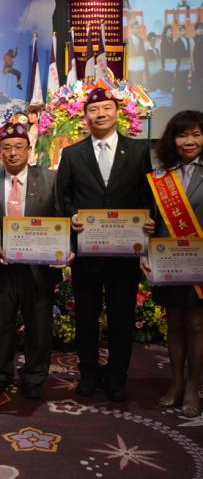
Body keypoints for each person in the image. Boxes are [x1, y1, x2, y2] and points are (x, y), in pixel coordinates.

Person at [56, 88, 154, 402]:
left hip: (125, 253)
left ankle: (116, 376)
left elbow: (147, 195)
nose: (100, 114)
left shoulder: (138, 151)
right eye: (94, 109)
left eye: (107, 108)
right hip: (88, 252)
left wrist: (149, 224)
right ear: (85, 116)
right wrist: (72, 217)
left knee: (122, 317)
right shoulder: (72, 154)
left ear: (117, 112)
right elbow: (63, 196)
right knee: (86, 316)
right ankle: (88, 373)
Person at [0, 122, 63, 400]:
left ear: (29, 150)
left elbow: (61, 218)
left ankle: (34, 376)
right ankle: (0, 374)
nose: (13, 153)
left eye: (19, 147)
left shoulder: (50, 180)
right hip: (3, 268)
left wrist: (62, 249)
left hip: (39, 268)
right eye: (6, 147)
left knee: (39, 324)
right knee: (1, 324)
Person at [142, 110, 203, 417]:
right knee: (175, 322)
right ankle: (176, 382)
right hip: (168, 262)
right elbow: (150, 218)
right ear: (172, 139)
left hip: (199, 264)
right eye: (182, 135)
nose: (189, 141)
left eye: (196, 134)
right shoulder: (161, 176)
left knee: (197, 324)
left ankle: (193, 386)